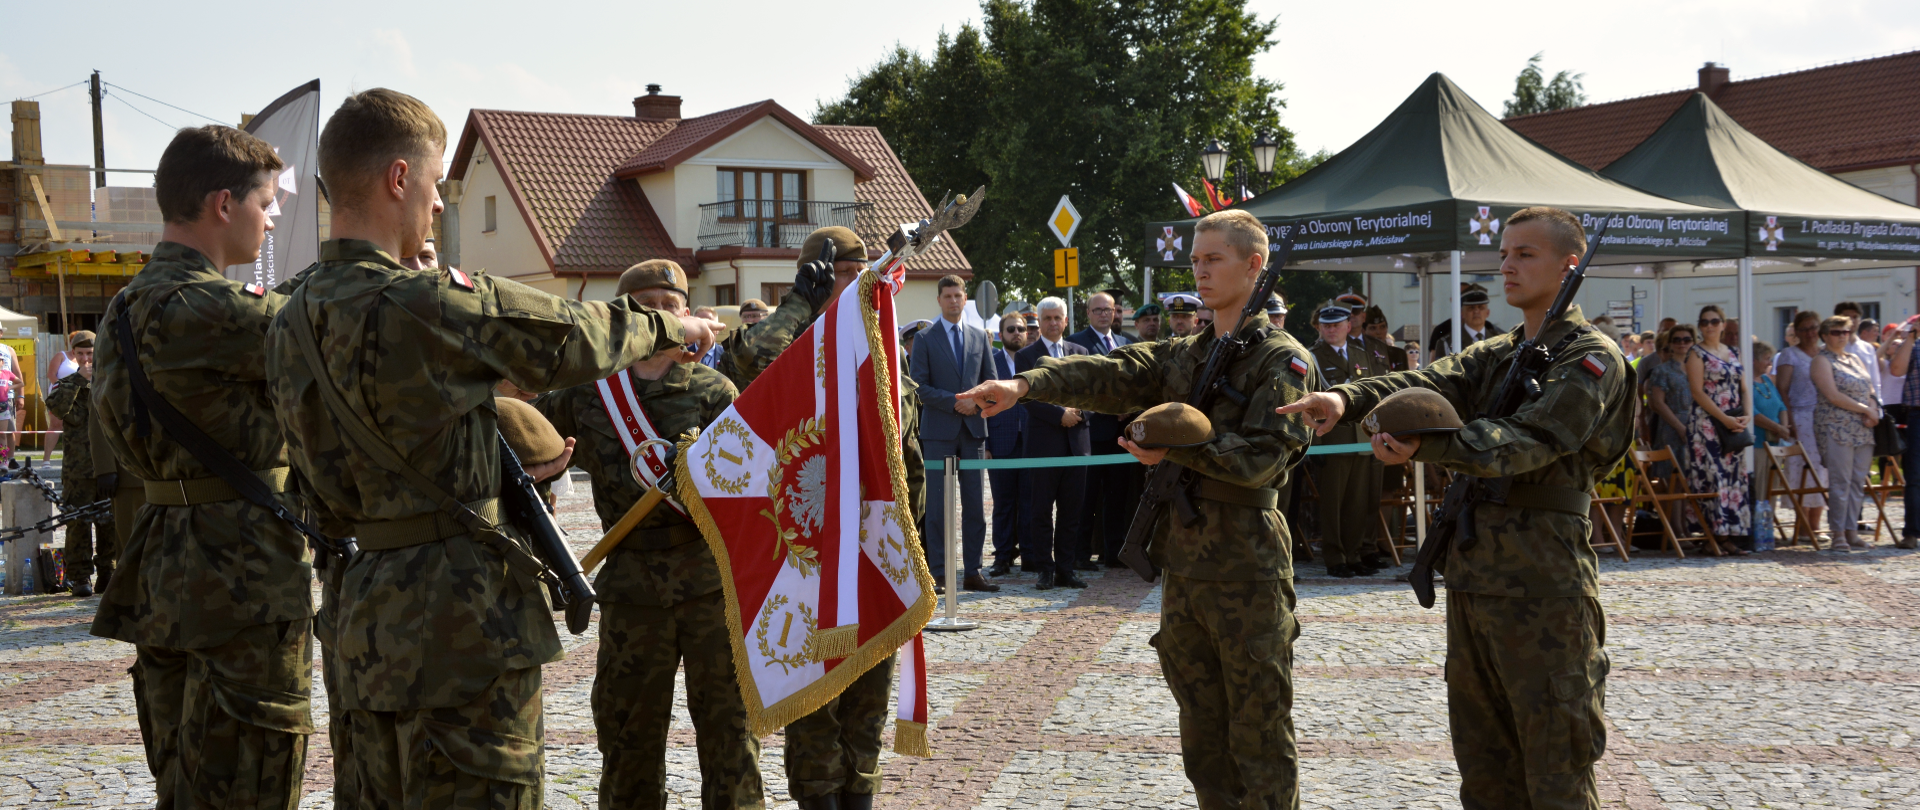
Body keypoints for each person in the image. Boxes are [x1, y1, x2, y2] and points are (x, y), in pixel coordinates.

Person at [263, 88, 718, 806]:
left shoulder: (289, 314)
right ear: (398, 178)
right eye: (436, 180)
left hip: (359, 618)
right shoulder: (426, 303)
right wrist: (674, 329)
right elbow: (573, 332)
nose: (441, 204)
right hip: (459, 629)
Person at [961, 208, 1318, 807]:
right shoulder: (1192, 351)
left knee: (1258, 733)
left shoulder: (1282, 360)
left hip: (1248, 564)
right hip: (1186, 564)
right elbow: (1114, 371)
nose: (1200, 273)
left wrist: (1181, 447)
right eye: (1196, 261)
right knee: (1202, 737)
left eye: (1214, 260)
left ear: (1255, 266)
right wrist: (1024, 386)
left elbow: (1265, 459)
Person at [1278, 206, 1628, 809]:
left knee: (1555, 771)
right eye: (1505, 252)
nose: (1507, 265)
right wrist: (1344, 396)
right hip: (1474, 578)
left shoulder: (1590, 358)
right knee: (1485, 771)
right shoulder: (1499, 353)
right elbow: (1426, 381)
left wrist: (1428, 443)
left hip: (1544, 586)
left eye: (1526, 254)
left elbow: (1536, 439)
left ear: (1571, 266)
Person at [535, 249, 822, 807]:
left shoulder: (714, 391)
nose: (662, 314)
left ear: (689, 313)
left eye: (673, 305)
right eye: (647, 307)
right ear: (624, 317)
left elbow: (753, 490)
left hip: (712, 590)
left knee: (731, 739)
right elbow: (527, 446)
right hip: (630, 593)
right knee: (628, 742)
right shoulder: (588, 394)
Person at [88, 125, 314, 806]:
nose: (272, 218)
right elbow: (330, 333)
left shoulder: (123, 308)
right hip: (240, 582)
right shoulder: (210, 308)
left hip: (163, 563)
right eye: (266, 202)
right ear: (224, 204)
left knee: (182, 785)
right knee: (249, 788)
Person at [783, 241, 908, 810]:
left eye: (862, 275)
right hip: (804, 559)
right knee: (814, 698)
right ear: (815, 279)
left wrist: (910, 532)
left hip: (872, 551)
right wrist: (796, 307)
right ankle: (818, 797)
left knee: (870, 698)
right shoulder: (791, 347)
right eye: (841, 276)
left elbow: (904, 456)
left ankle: (861, 794)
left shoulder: (879, 350)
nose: (855, 285)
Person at [912, 274, 999, 592]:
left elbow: (992, 382)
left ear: (965, 299)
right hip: (939, 432)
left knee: (975, 504)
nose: (953, 300)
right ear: (939, 300)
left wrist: (975, 403)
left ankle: (973, 571)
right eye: (947, 296)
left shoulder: (980, 337)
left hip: (973, 430)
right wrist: (956, 402)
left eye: (958, 295)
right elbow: (918, 386)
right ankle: (939, 572)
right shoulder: (925, 339)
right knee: (938, 506)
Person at [1308, 301, 1389, 577]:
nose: (1331, 330)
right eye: (1326, 325)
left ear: (1348, 326)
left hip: (1361, 438)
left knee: (1357, 503)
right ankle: (1335, 557)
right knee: (1334, 504)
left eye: (1336, 325)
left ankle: (1354, 554)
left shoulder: (1358, 352)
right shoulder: (1312, 356)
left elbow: (1369, 394)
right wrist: (1315, 445)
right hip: (1332, 439)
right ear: (1319, 328)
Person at [1013, 296, 1090, 590]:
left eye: (1059, 318)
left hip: (1077, 444)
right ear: (1040, 322)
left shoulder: (1080, 352)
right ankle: (1045, 569)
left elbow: (1094, 392)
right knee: (1041, 511)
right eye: (1048, 318)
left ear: (1067, 321)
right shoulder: (1026, 356)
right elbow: (1026, 398)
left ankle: (1066, 570)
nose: (1054, 323)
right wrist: (1060, 415)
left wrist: (1079, 414)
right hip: (1044, 445)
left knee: (1072, 512)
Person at [1068, 291, 1136, 569]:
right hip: (1091, 433)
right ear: (1088, 313)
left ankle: (1114, 552)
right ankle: (1081, 554)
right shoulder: (1076, 343)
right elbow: (1078, 389)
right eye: (1098, 310)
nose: (1105, 314)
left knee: (1117, 497)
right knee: (1087, 498)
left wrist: (1130, 407)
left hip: (1121, 434)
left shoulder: (1127, 343)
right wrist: (1109, 408)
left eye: (1109, 310)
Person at [46, 333, 114, 598]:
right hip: (77, 468)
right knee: (77, 523)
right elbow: (58, 411)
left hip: (107, 464)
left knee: (110, 523)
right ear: (74, 355)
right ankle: (80, 576)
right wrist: (78, 380)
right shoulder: (65, 385)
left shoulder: (109, 381)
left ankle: (108, 571)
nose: (86, 359)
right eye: (81, 354)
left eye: (90, 354)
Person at [1684, 304, 1752, 553]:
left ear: (1723, 324)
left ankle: (1729, 536)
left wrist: (1747, 415)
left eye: (1714, 321)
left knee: (1733, 477)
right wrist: (1723, 418)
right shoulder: (1696, 353)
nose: (1709, 326)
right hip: (1707, 424)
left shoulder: (1734, 352)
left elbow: (1744, 387)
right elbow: (1697, 392)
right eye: (1704, 322)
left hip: (1734, 422)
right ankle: (1714, 537)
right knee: (1712, 477)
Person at [1810, 315, 1881, 553]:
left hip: (1862, 427)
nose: (1842, 336)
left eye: (1846, 332)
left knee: (1857, 481)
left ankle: (1852, 531)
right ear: (1825, 335)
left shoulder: (1854, 358)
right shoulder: (1821, 360)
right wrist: (1866, 409)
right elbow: (1832, 395)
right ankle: (1838, 533)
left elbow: (1869, 387)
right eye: (1836, 332)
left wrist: (1873, 408)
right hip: (1836, 426)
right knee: (1840, 481)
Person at [1773, 311, 1828, 540]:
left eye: (1813, 327)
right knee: (1804, 470)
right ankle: (1802, 525)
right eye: (1804, 329)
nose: (1810, 333)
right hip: (1801, 416)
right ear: (1796, 332)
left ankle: (1816, 523)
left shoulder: (1825, 354)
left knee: (1823, 470)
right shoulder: (1789, 355)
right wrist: (1790, 421)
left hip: (1825, 417)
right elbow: (1782, 390)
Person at [985, 313, 1030, 579]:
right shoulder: (991, 361)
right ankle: (1002, 556)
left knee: (1029, 502)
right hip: (1000, 441)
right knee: (1003, 503)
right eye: (1010, 329)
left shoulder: (1033, 361)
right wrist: (986, 444)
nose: (1016, 333)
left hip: (1031, 443)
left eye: (1021, 329)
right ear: (1001, 335)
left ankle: (1029, 553)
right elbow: (983, 403)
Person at [1642, 325, 1697, 481]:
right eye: (1677, 340)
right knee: (1673, 479)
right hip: (1671, 426)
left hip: (1697, 425)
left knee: (1694, 480)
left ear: (1693, 342)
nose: (1682, 343)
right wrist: (1680, 428)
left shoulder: (1699, 367)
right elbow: (1658, 404)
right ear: (1671, 344)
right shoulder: (1661, 370)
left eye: (1687, 339)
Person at [1886, 316, 1920, 549]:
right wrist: (1910, 337)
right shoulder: (1914, 345)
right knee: (1915, 477)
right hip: (1917, 415)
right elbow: (1896, 370)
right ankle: (1912, 532)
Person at [1428, 283, 1500, 359]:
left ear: (1488, 312)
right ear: (1462, 313)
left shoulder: (1500, 339)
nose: (1476, 311)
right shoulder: (1446, 343)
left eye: (1481, 307)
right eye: (1471, 308)